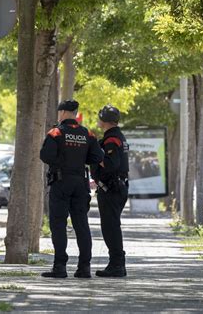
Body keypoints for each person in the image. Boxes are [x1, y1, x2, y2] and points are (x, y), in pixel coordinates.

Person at [40, 99, 104, 278]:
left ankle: (59, 267)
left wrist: (62, 162)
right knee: (81, 224)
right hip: (80, 183)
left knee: (58, 224)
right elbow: (98, 156)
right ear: (75, 114)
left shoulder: (56, 133)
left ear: (62, 113)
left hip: (61, 182)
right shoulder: (87, 134)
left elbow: (45, 155)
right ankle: (84, 268)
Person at [91, 104, 129, 277]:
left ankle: (117, 265)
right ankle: (116, 263)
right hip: (116, 187)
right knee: (111, 226)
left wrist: (96, 155)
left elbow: (111, 164)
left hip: (111, 189)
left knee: (110, 227)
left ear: (103, 120)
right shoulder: (117, 137)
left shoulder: (112, 139)